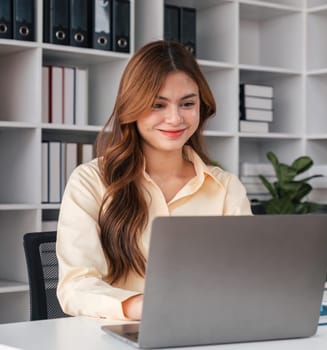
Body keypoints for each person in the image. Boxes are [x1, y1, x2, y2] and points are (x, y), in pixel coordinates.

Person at [56, 40, 253, 321]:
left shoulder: (225, 187)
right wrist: (144, 307)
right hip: (116, 335)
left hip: (206, 330)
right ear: (132, 107)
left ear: (202, 106)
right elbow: (75, 286)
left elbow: (246, 276)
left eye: (187, 104)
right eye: (157, 105)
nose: (174, 118)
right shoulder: (91, 180)